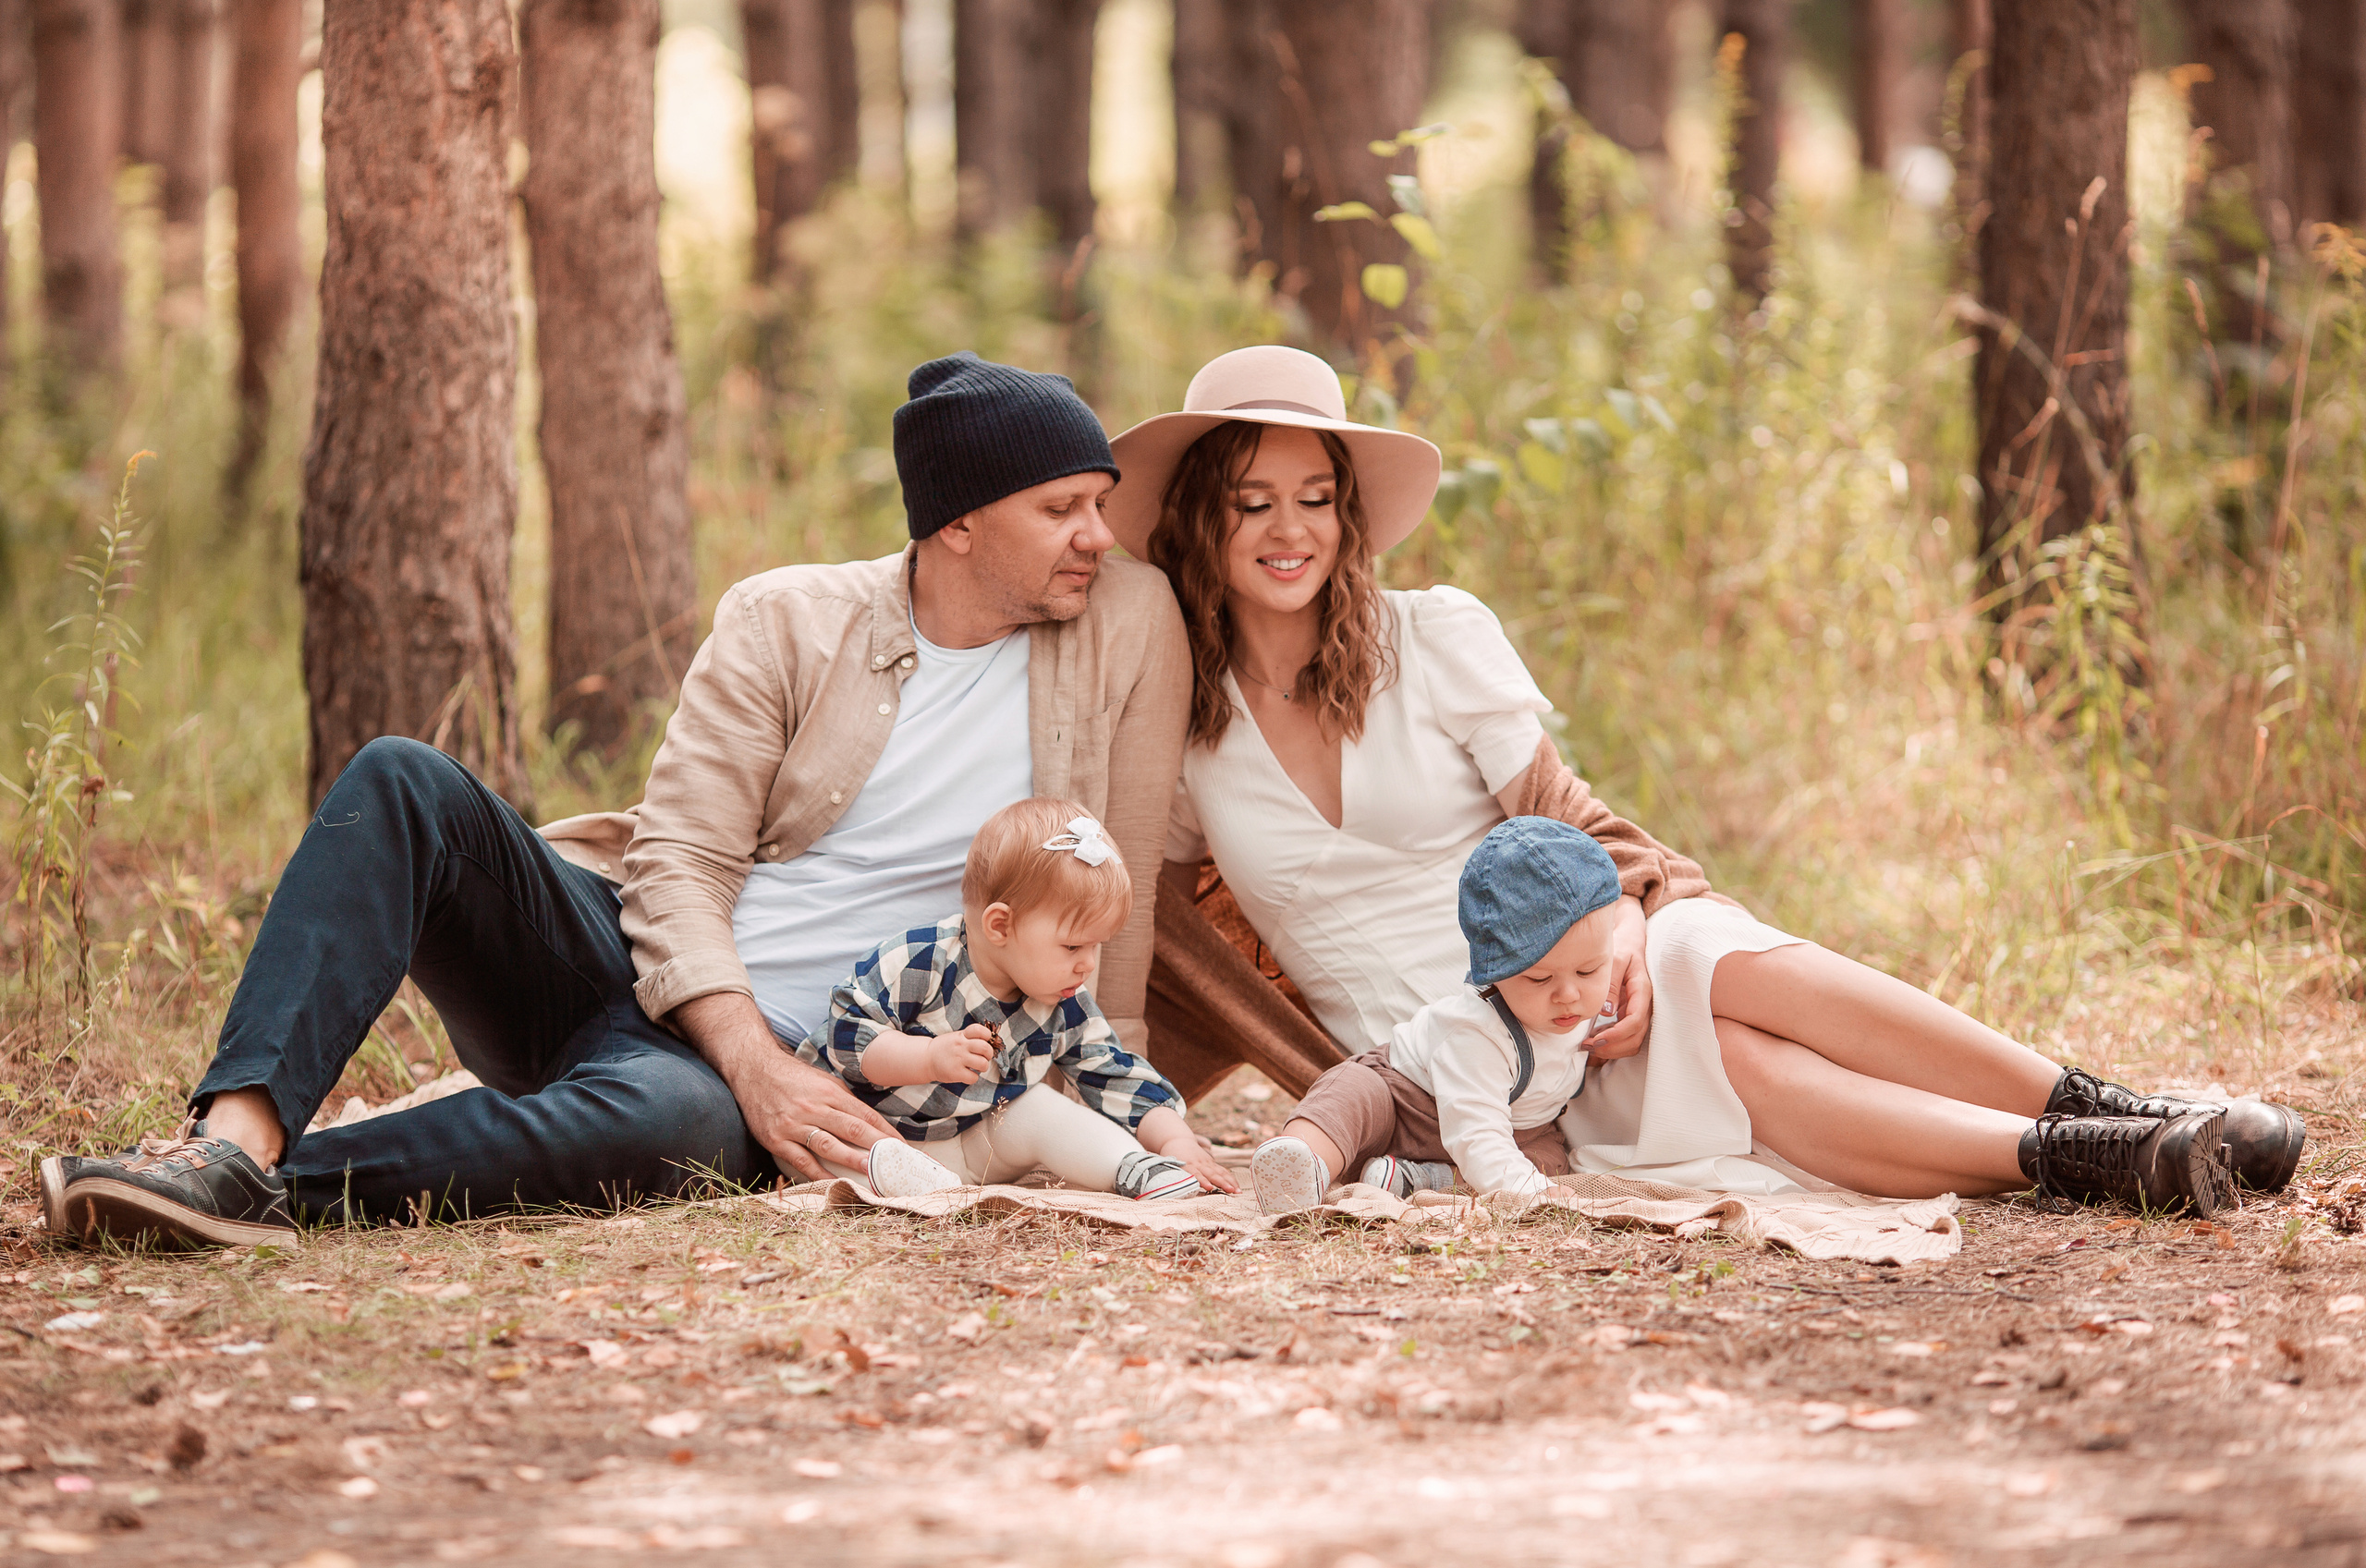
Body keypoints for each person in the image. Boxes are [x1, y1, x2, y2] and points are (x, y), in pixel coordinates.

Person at [1109, 344, 2300, 1217]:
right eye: (1251, 501)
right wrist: (1118, 1096)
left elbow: (1567, 819)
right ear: (1200, 524)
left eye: (1314, 497)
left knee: (1692, 949)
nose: (1288, 529)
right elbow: (1175, 954)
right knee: (1739, 1070)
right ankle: (2084, 1156)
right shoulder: (1186, 729)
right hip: (1460, 1053)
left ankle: (2117, 1112)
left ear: (1348, 515)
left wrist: (1626, 911)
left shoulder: (1431, 636)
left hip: (1581, 957)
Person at [43, 352, 1192, 1249]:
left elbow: (1116, 888)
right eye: (1061, 509)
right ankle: (228, 1139)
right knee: (402, 774)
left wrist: (1112, 1105)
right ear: (957, 520)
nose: (1097, 534)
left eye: (1101, 501)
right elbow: (681, 862)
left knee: (680, 1127)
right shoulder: (787, 618)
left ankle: (250, 1194)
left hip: (800, 1057)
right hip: (631, 963)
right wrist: (749, 1055)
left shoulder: (1125, 625)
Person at [801, 796, 1233, 1200]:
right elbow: (848, 1038)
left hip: (972, 1142)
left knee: (1039, 1107)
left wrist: (1176, 1139)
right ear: (1001, 926)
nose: (1088, 965)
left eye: (1097, 946)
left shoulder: (1063, 1003)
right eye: (1073, 947)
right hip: (876, 1132)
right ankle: (916, 1185)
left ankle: (1136, 1168)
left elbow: (1114, 1075)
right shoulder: (921, 962)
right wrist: (929, 1057)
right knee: (834, 1146)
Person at [1251, 817, 1623, 1212]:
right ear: (1495, 971)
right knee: (1349, 1096)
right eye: (1539, 978)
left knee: (1549, 1159)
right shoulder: (1477, 1031)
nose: (1568, 995)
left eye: (1589, 970)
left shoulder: (1594, 1007)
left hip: (1513, 1130)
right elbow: (1475, 1131)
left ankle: (1419, 1179)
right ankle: (1303, 1162)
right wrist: (1522, 1188)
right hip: (1404, 1104)